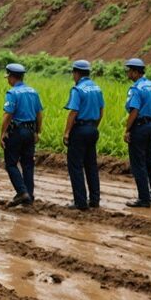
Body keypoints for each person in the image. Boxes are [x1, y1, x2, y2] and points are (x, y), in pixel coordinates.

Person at [123, 58, 151, 207]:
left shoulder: (136, 89)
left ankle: (144, 199)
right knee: (150, 161)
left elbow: (134, 110)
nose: (128, 73)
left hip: (139, 127)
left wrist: (127, 129)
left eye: (129, 71)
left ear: (135, 72)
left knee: (138, 163)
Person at [63, 60, 105, 210]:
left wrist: (67, 132)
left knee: (75, 166)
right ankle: (95, 199)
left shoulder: (78, 89)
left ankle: (80, 202)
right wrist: (94, 126)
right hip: (92, 129)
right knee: (91, 165)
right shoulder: (97, 88)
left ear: (76, 73)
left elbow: (73, 112)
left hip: (79, 130)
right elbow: (101, 111)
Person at [0, 63, 43, 206]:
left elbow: (7, 115)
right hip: (30, 131)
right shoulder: (33, 92)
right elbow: (39, 113)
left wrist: (2, 133)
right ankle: (29, 196)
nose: (8, 80)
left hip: (17, 131)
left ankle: (21, 191)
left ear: (12, 77)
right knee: (28, 164)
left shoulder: (12, 93)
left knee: (11, 164)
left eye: (8, 77)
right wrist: (38, 131)